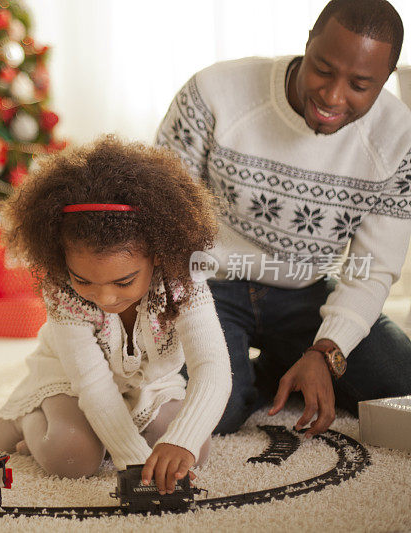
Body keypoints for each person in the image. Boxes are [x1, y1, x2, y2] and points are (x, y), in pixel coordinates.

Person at [155, 0, 411, 438]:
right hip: (210, 286)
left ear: (386, 80)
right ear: (308, 42)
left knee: (399, 384)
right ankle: (249, 378)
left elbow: (372, 269)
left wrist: (326, 350)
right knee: (211, 412)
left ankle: (282, 364)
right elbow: (161, 220)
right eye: (323, 69)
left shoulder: (398, 139)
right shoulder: (214, 92)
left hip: (306, 291)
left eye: (360, 84)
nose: (333, 96)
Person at [0, 136, 231, 495]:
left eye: (123, 281)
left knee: (195, 452)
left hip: (149, 384)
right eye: (84, 280)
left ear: (157, 255)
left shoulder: (182, 281)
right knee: (73, 457)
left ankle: (120, 429)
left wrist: (184, 440)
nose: (104, 296)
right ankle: (28, 419)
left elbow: (213, 366)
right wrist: (133, 461)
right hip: (71, 378)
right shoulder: (62, 291)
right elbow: (93, 386)